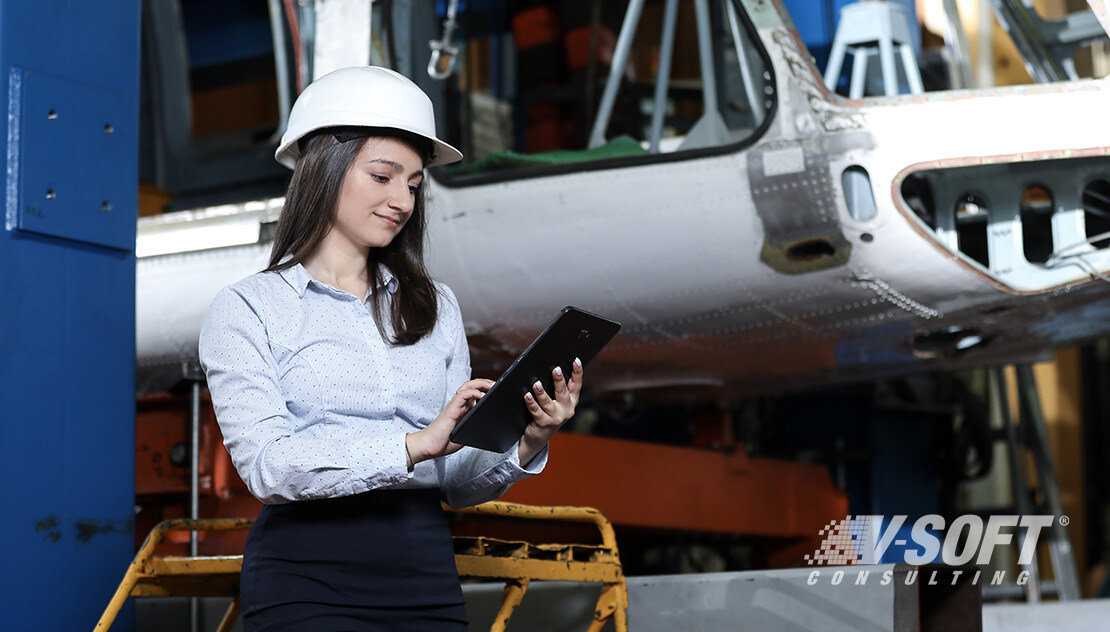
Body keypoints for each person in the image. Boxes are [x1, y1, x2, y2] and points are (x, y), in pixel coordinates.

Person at [198, 66, 583, 631]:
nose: (400, 200)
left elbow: (454, 483)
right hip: (306, 579)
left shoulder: (435, 306)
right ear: (324, 170)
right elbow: (266, 466)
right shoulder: (249, 308)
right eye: (383, 176)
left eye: (413, 184)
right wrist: (411, 445)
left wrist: (526, 439)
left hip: (423, 573)